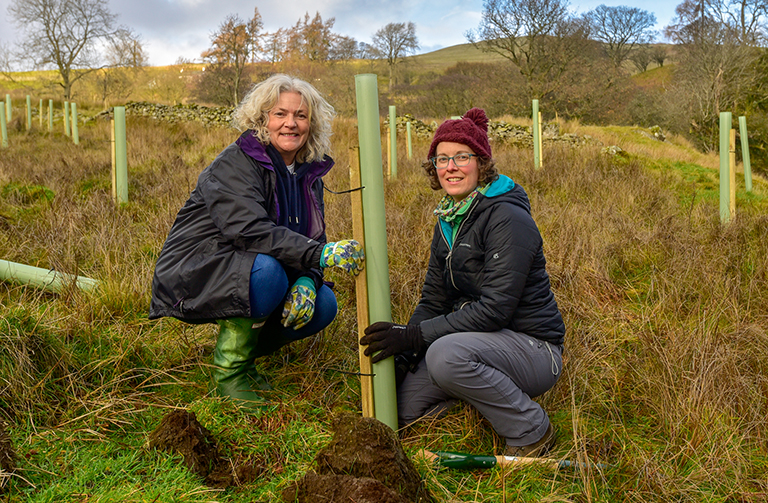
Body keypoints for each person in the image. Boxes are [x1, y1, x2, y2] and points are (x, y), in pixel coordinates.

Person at [149, 74, 364, 410]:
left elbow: (313, 237)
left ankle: (244, 354)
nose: (290, 123)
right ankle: (229, 372)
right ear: (263, 118)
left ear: (312, 124)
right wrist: (319, 255)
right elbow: (250, 231)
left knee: (323, 304)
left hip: (251, 263)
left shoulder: (307, 172)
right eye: (280, 114)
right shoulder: (238, 162)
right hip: (201, 265)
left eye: (301, 116)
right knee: (268, 274)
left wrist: (309, 278)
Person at [360, 108, 564, 457]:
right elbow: (433, 299)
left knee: (444, 355)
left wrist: (415, 337)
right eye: (442, 159)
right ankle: (476, 400)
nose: (450, 167)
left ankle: (532, 430)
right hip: (478, 346)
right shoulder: (449, 219)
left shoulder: (507, 218)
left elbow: (496, 310)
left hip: (533, 350)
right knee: (402, 413)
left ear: (481, 163)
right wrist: (406, 353)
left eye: (461, 157)